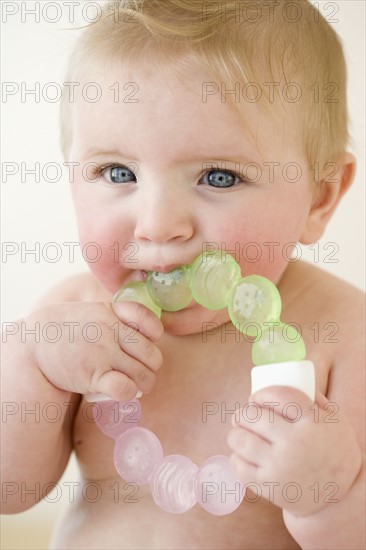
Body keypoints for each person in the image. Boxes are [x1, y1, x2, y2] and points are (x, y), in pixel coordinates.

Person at [2, 1, 364, 548]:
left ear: (320, 197)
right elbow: (11, 490)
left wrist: (327, 491)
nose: (157, 226)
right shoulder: (73, 322)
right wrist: (30, 364)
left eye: (219, 176)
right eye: (117, 172)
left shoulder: (342, 334)